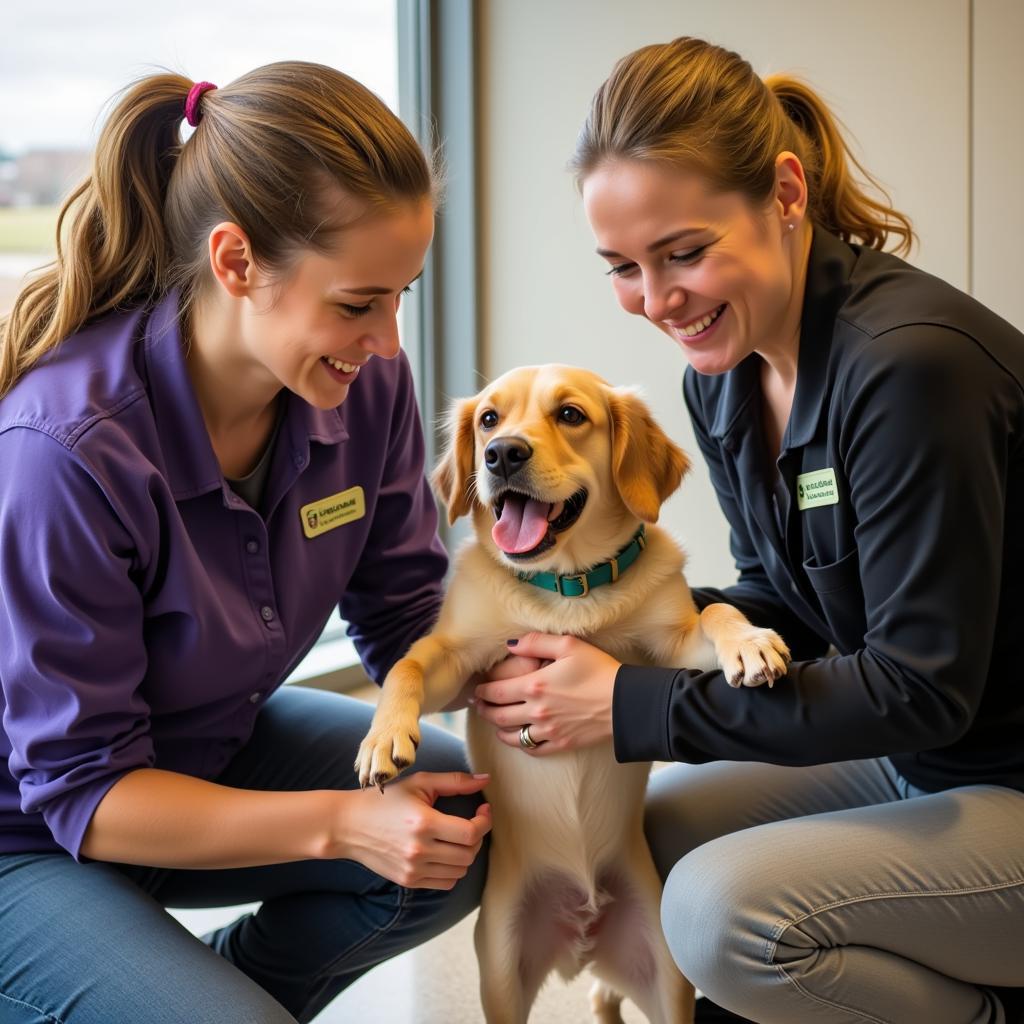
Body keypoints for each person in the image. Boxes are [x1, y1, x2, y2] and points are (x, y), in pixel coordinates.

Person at [470, 36, 1024, 1024]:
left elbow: (920, 689)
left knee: (724, 912)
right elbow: (784, 598)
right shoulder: (722, 376)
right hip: (925, 760)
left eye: (683, 252)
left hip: (995, 773)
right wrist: (607, 630)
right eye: (622, 267)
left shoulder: (908, 368)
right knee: (653, 836)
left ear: (784, 191)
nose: (656, 299)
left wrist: (630, 703)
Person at [0, 65, 492, 1024]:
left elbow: (404, 616)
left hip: (201, 750)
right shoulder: (68, 451)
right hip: (29, 837)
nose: (388, 342)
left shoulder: (358, 387)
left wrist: (552, 669)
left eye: (400, 297)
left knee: (462, 819)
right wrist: (343, 824)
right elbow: (87, 795)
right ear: (235, 262)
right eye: (357, 304)